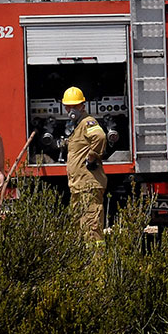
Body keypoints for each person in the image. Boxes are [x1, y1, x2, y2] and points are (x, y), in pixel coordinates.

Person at [61, 86, 107, 242]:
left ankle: (97, 264)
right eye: (68, 106)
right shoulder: (77, 126)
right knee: (80, 228)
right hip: (79, 186)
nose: (71, 109)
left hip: (89, 185)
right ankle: (85, 263)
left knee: (92, 228)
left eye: (75, 106)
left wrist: (92, 158)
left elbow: (100, 137)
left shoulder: (88, 122)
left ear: (83, 106)